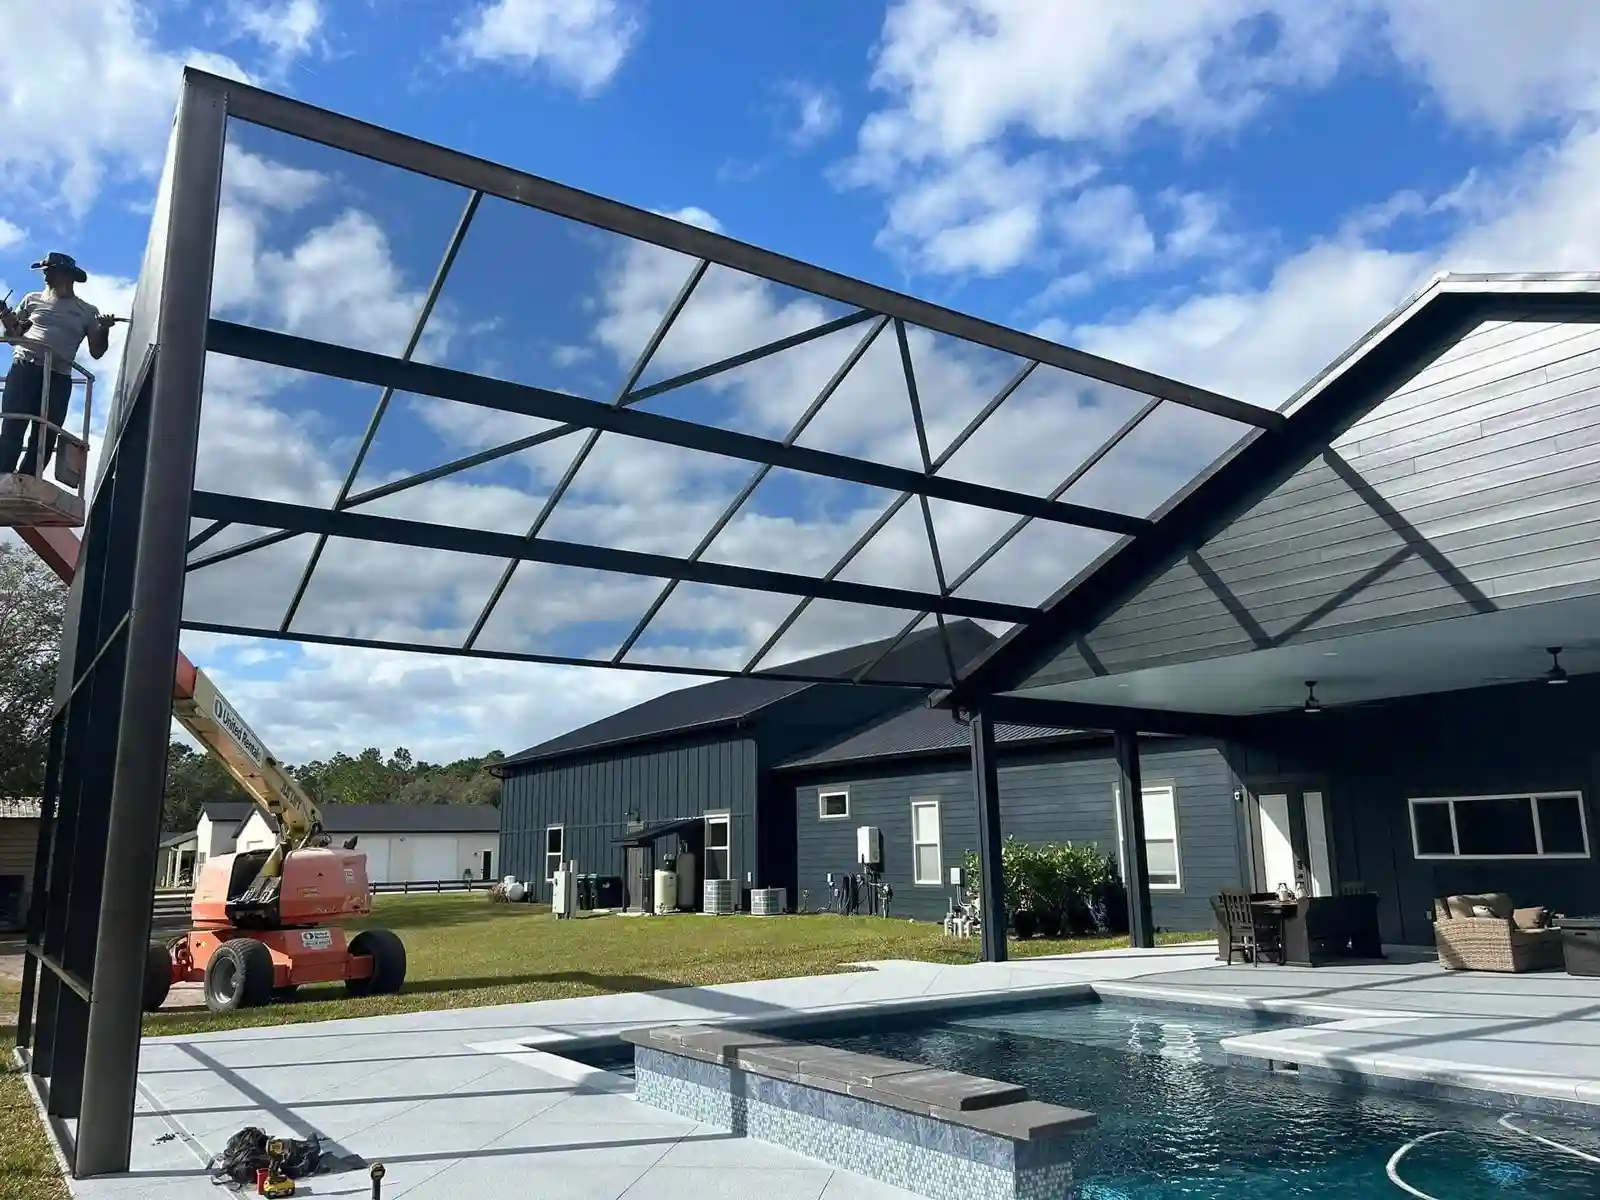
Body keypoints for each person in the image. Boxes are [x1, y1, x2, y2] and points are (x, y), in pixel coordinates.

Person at [0, 252, 115, 479]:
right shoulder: (32, 299)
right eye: (45, 270)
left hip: (58, 376)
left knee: (45, 434)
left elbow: (97, 352)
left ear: (66, 275)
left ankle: (27, 480)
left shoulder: (86, 310)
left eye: (50, 269)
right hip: (25, 367)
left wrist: (104, 329)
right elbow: (13, 337)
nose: (45, 274)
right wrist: (6, 317)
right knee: (13, 426)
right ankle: (2, 479)